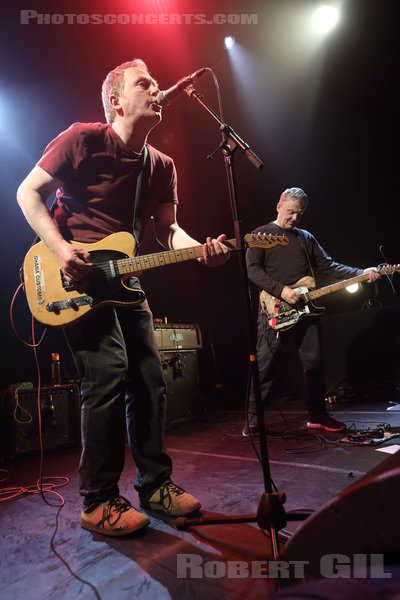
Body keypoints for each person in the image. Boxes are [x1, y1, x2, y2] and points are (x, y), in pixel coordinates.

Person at [17, 59, 230, 536]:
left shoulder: (161, 166)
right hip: (74, 277)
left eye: (155, 83)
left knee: (150, 379)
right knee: (108, 375)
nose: (156, 89)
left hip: (127, 281)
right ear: (116, 100)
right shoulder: (84, 138)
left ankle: (156, 485)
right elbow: (28, 193)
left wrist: (201, 251)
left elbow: (168, 230)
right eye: (144, 83)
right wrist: (60, 248)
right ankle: (97, 501)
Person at [243, 187, 380, 436]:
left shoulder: (305, 237)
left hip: (306, 309)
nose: (294, 218)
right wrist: (281, 290)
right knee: (265, 368)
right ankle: (253, 421)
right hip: (275, 310)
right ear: (279, 205)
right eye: (290, 212)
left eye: (299, 213)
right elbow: (252, 269)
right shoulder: (260, 234)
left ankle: (317, 415)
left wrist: (360, 273)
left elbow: (328, 265)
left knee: (314, 365)